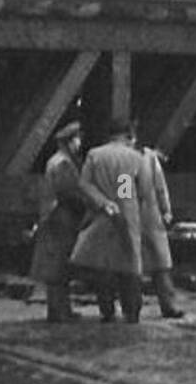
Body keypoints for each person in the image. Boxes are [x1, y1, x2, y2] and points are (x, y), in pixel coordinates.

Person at [70, 118, 152, 323]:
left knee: (103, 266)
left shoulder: (95, 155)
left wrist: (104, 203)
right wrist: (122, 203)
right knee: (130, 266)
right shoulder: (134, 157)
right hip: (127, 216)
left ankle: (107, 311)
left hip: (101, 217)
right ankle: (131, 312)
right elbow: (144, 189)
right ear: (127, 135)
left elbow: (84, 184)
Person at [29, 120, 96, 323]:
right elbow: (69, 192)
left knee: (57, 265)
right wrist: (87, 205)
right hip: (62, 217)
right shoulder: (64, 163)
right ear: (69, 141)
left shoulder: (57, 161)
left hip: (55, 216)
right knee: (59, 265)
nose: (79, 143)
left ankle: (60, 310)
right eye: (77, 139)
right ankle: (59, 312)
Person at [134, 128, 184, 319]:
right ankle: (134, 307)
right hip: (138, 216)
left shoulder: (149, 158)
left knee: (161, 264)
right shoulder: (134, 158)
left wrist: (166, 210)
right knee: (135, 266)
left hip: (150, 216)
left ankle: (168, 305)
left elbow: (160, 186)